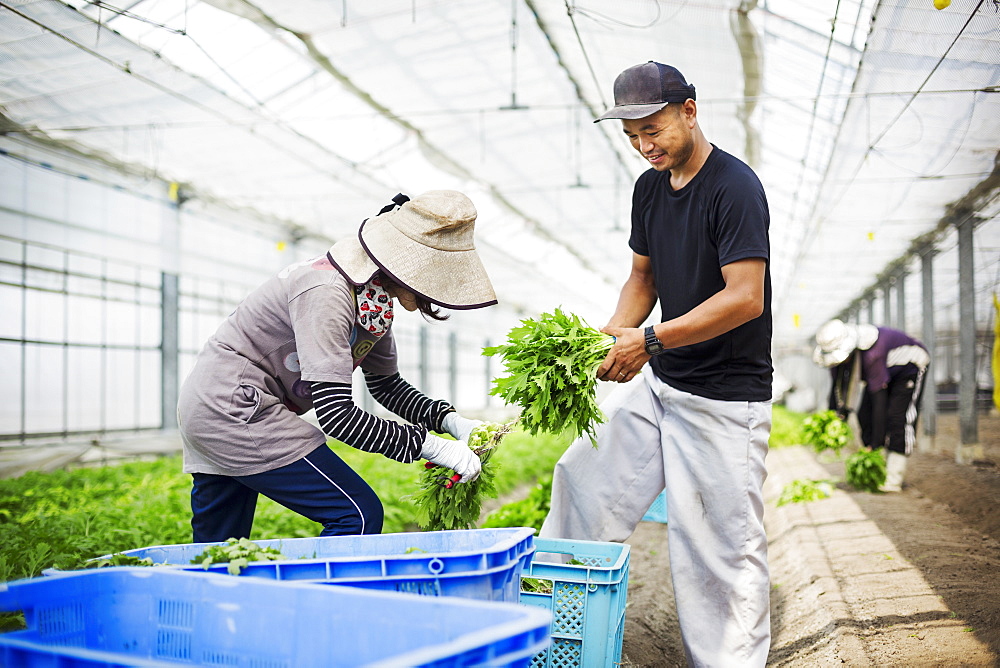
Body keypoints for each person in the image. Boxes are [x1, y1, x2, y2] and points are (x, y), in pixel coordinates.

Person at [539, 61, 773, 666]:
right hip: (663, 383)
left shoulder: (734, 187)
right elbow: (642, 277)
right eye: (633, 137)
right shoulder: (649, 187)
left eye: (655, 130)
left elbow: (746, 297)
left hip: (723, 397)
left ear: (689, 111)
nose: (646, 147)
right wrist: (612, 338)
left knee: (717, 551)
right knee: (581, 480)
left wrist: (649, 341)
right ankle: (561, 637)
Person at [177, 190, 495, 543]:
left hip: (211, 404)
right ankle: (325, 598)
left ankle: (208, 594)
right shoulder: (328, 291)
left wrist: (451, 422)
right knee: (356, 515)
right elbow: (337, 416)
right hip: (234, 408)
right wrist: (432, 447)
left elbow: (386, 385)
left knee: (219, 549)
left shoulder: (370, 299)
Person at [813, 318, 930, 492]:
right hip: (886, 371)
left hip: (909, 368)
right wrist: (837, 416)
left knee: (898, 419)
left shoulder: (871, 354)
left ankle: (893, 477)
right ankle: (877, 464)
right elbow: (838, 388)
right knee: (864, 415)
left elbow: (879, 405)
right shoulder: (840, 361)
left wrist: (875, 443)